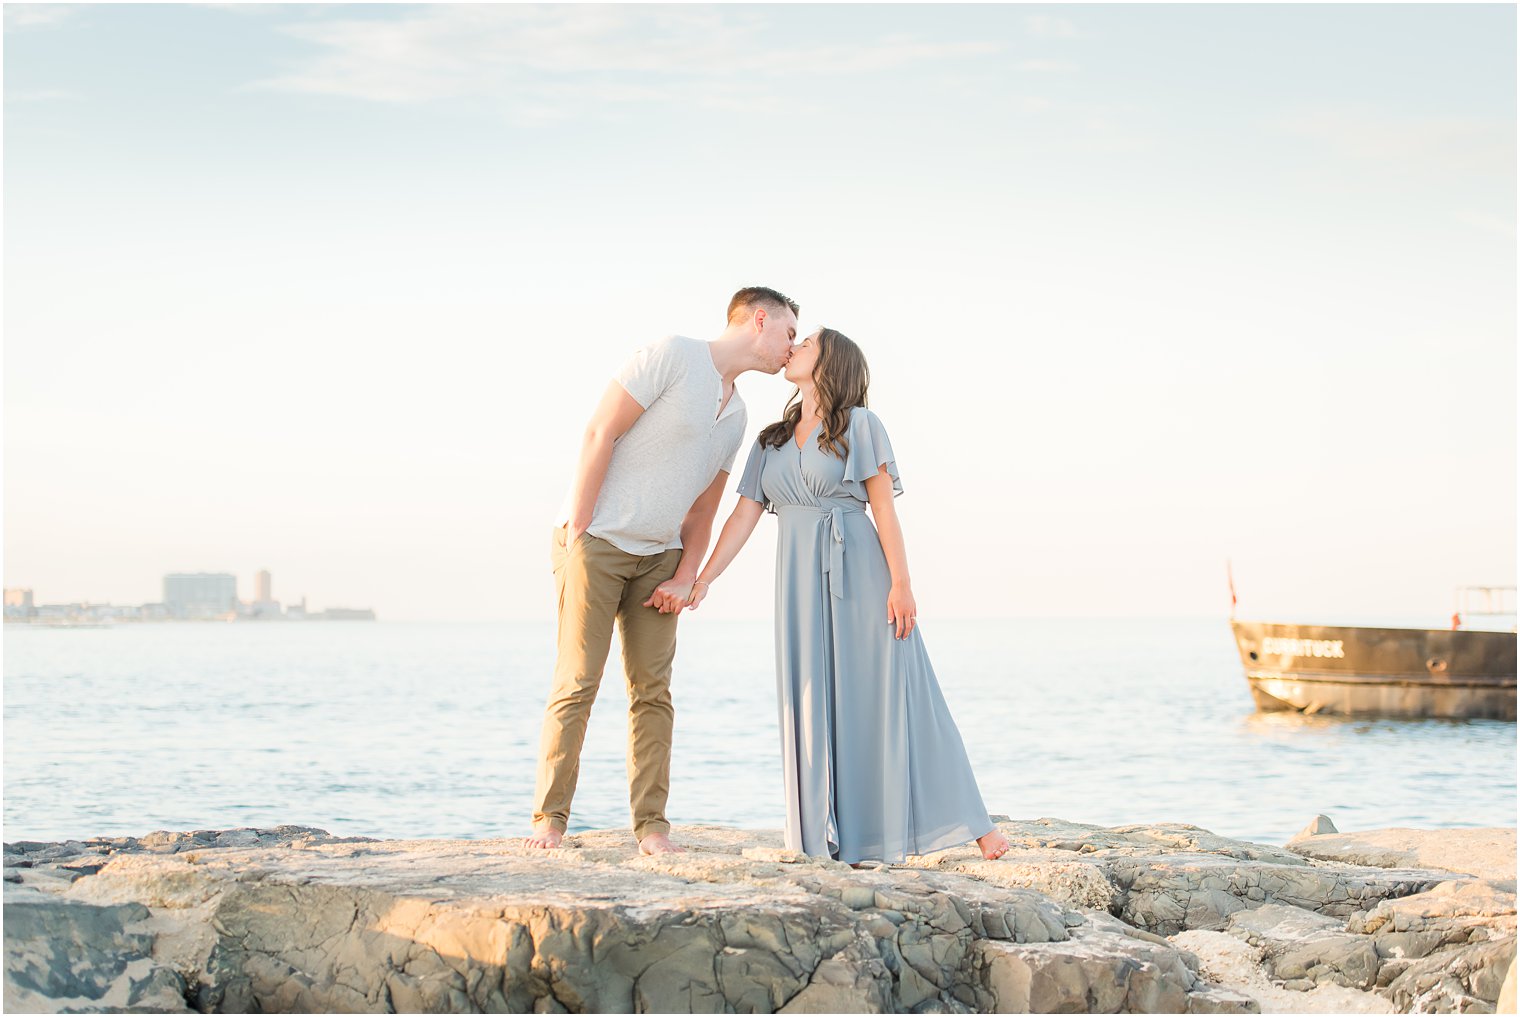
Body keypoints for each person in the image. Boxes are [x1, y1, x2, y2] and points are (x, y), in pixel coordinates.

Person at [688, 327, 1012, 864]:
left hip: (860, 574)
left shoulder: (861, 426)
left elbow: (883, 508)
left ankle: (976, 824)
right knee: (811, 701)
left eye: (807, 342)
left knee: (897, 694)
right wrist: (703, 578)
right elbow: (743, 515)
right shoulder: (770, 440)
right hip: (796, 582)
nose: (793, 347)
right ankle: (827, 834)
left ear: (831, 362)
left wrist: (902, 585)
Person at [526, 287, 800, 856]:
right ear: (758, 319)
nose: (791, 347)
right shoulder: (673, 355)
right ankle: (548, 822)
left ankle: (652, 828)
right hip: (596, 543)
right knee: (579, 682)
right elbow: (601, 430)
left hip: (661, 559)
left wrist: (686, 574)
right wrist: (579, 529)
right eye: (790, 333)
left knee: (653, 692)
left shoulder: (739, 415)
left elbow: (705, 507)